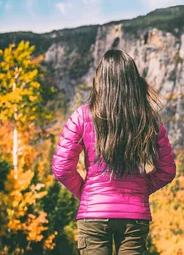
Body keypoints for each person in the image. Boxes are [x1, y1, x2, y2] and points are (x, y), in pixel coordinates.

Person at [52, 49, 176, 254]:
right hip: (135, 216)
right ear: (133, 81)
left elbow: (62, 168)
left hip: (93, 216)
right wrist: (141, 189)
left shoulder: (82, 116)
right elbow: (166, 170)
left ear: (100, 79)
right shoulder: (148, 118)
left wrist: (85, 193)